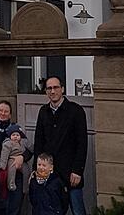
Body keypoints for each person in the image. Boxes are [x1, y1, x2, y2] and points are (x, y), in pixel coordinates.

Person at [34, 76, 88, 215]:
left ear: (62, 89)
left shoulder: (76, 111)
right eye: (49, 88)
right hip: (50, 174)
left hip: (71, 173)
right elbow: (39, 142)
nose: (52, 91)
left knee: (78, 210)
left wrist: (78, 170)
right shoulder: (43, 111)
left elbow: (82, 143)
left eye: (56, 87)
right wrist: (37, 168)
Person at [0, 124, 31, 192]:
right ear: (10, 136)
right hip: (11, 159)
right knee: (11, 170)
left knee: (26, 170)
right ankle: (11, 184)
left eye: (17, 135)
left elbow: (31, 147)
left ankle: (26, 187)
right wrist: (2, 164)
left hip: (22, 160)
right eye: (13, 135)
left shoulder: (23, 142)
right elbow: (4, 154)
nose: (15, 137)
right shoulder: (8, 143)